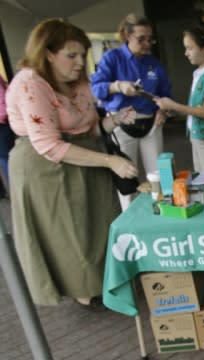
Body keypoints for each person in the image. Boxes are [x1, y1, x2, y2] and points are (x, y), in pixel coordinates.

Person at [5, 18, 138, 306]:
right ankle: (81, 290)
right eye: (71, 55)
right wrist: (110, 161)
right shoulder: (32, 84)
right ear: (48, 53)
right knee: (66, 233)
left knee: (96, 221)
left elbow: (87, 128)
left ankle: (101, 280)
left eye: (83, 55)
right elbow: (49, 145)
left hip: (84, 158)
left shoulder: (78, 81)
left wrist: (114, 120)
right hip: (45, 167)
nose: (80, 62)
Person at [91, 13, 171, 208]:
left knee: (158, 174)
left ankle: (161, 210)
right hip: (122, 120)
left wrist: (163, 111)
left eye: (150, 38)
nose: (147, 43)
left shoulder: (154, 63)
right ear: (127, 35)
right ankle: (130, 219)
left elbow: (165, 92)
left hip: (151, 121)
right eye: (141, 38)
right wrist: (118, 86)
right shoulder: (113, 58)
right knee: (127, 176)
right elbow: (96, 88)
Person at [154, 26, 204, 172]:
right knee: (203, 180)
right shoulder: (199, 73)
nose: (186, 53)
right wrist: (174, 111)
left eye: (189, 48)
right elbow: (195, 107)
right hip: (198, 137)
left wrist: (175, 106)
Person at [0, 76, 14, 196]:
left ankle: (15, 189)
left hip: (2, 125)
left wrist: (2, 117)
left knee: (6, 159)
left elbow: (3, 100)